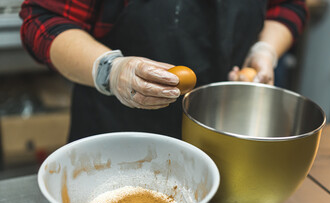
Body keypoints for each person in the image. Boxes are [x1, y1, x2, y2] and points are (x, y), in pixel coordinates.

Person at [20, 0, 308, 141]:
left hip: (224, 136)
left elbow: (287, 6)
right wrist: (110, 69)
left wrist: (265, 49)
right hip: (117, 136)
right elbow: (44, 19)